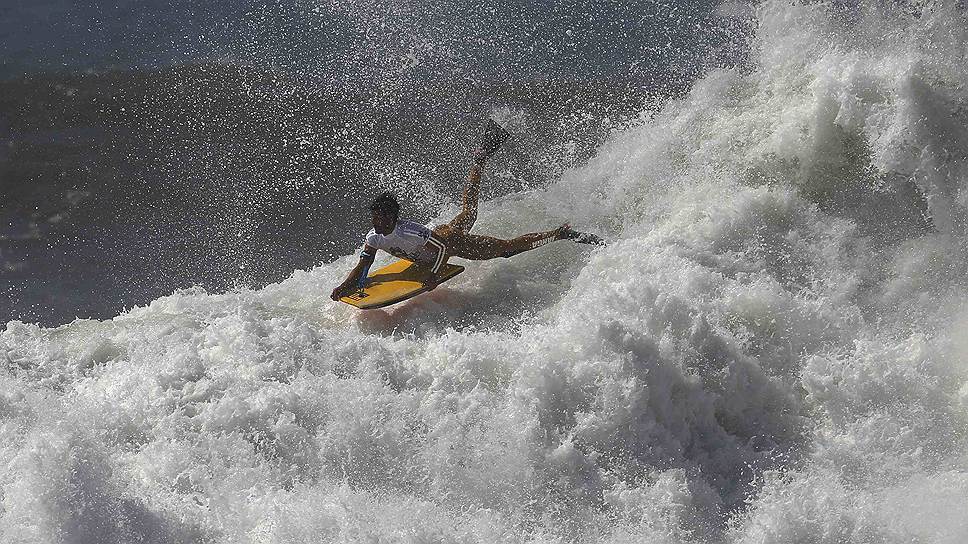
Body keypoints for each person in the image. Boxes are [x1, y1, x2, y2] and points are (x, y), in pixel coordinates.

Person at [330, 120, 603, 301]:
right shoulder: (373, 238)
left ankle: (560, 233)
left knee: (506, 249)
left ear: (392, 217)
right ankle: (480, 156)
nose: (375, 222)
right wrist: (345, 286)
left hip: (452, 241)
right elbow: (363, 266)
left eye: (380, 218)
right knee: (469, 210)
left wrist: (434, 277)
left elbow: (441, 249)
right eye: (374, 218)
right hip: (443, 234)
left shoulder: (409, 231)